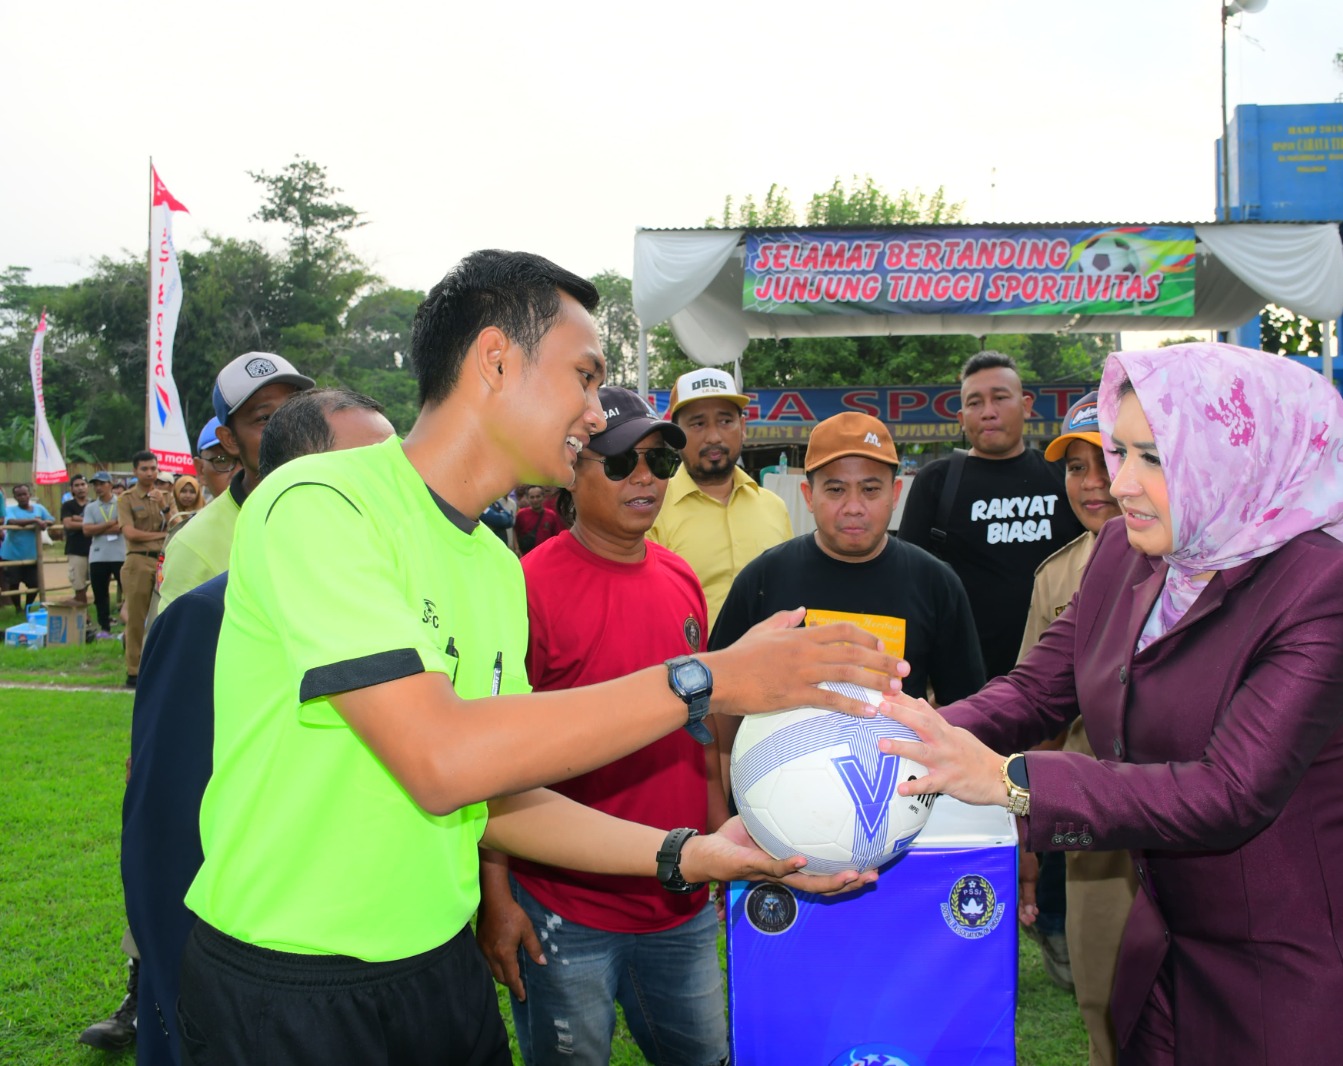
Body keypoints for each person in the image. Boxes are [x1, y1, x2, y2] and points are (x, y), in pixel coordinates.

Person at [176, 250, 906, 1066]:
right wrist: (710, 679)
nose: (597, 414)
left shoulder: (492, 566)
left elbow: (502, 794)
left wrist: (695, 854)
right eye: (586, 377)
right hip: (290, 991)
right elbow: (441, 758)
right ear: (495, 360)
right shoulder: (320, 502)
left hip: (439, 971)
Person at [879, 342, 1343, 1064]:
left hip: (1296, 966)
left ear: (1235, 453)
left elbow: (1231, 792)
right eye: (1117, 452)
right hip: (1164, 943)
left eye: (1154, 458)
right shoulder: (1124, 552)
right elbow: (1038, 688)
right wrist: (906, 728)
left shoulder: (1329, 590)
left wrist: (1011, 782)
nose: (1119, 484)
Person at [121, 387, 396, 1066]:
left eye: (395, 473)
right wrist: (180, 991)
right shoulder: (209, 615)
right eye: (359, 477)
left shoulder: (394, 605)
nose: (392, 497)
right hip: (248, 979)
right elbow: (165, 833)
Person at [478, 386, 730, 1064]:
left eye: (659, 461)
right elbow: (498, 755)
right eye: (621, 462)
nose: (645, 476)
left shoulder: (682, 580)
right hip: (565, 903)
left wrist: (719, 846)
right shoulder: (524, 587)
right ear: (572, 470)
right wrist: (495, 897)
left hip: (680, 901)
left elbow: (698, 734)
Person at [1014, 391, 1136, 1061]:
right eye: (1076, 467)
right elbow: (1039, 719)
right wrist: (1028, 843)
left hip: (1199, 816)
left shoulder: (1195, 560)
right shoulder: (1057, 577)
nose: (1094, 485)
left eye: (1109, 462)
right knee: (1103, 994)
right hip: (1099, 828)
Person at [710, 411, 986, 705]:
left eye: (870, 489)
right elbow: (719, 690)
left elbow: (964, 707)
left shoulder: (936, 583)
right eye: (836, 489)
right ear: (808, 495)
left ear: (894, 494)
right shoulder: (763, 579)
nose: (854, 507)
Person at [897, 351, 1084, 680]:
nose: (988, 412)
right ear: (960, 417)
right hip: (965, 681)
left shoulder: (1063, 475)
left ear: (1026, 405)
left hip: (1062, 677)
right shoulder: (936, 483)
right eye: (974, 403)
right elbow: (909, 586)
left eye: (1000, 398)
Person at [153, 352, 313, 615]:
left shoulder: (343, 508)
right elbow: (182, 648)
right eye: (264, 418)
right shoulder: (193, 544)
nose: (288, 426)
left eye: (295, 408)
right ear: (229, 439)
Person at [647, 367, 792, 629]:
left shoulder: (774, 507)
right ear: (676, 434)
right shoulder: (651, 511)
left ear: (743, 427)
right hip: (688, 668)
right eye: (698, 423)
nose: (714, 437)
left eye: (725, 421)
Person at [116, 454, 170, 686]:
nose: (150, 473)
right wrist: (161, 535)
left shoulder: (165, 497)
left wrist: (164, 507)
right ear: (135, 471)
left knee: (161, 615)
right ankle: (133, 670)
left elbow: (177, 523)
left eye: (153, 468)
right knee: (136, 618)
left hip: (162, 560)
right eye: (145, 469)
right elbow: (130, 533)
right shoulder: (126, 499)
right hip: (138, 561)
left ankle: (156, 667)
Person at [83, 472, 125, 640]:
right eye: (95, 484)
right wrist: (109, 523)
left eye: (101, 483)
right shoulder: (91, 507)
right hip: (98, 556)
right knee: (100, 593)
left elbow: (122, 527)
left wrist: (98, 527)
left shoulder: (121, 503)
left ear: (110, 484)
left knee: (128, 591)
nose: (98, 487)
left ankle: (130, 624)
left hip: (120, 554)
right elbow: (86, 530)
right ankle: (104, 627)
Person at [2, 483, 54, 613]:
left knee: (34, 583)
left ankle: (28, 606)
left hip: (32, 554)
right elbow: (10, 522)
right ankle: (18, 608)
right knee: (14, 584)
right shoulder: (11, 510)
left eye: (24, 494)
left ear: (29, 494)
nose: (22, 497)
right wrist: (35, 521)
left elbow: (50, 519)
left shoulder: (39, 508)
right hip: (12, 554)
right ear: (15, 497)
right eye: (19, 495)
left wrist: (44, 523)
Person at [60, 475, 91, 605]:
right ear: (72, 489)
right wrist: (91, 524)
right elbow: (67, 524)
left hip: (95, 549)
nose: (80, 488)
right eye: (77, 485)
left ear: (87, 487)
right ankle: (84, 616)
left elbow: (103, 522)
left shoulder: (94, 504)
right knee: (79, 584)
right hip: (76, 550)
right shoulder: (68, 506)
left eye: (83, 484)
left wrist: (77, 519)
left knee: (99, 583)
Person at [193, 417, 234, 503]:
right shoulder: (201, 517)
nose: (239, 473)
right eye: (222, 460)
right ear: (201, 470)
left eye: (246, 461)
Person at [514, 485, 563, 554]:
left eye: (538, 496)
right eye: (532, 497)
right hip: (527, 555)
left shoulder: (551, 515)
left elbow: (556, 536)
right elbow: (515, 533)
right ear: (528, 498)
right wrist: (517, 549)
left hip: (546, 553)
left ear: (543, 497)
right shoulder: (521, 514)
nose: (535, 500)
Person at [165, 475, 206, 539]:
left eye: (192, 492)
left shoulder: (205, 512)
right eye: (183, 491)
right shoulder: (168, 511)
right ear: (176, 491)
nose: (188, 496)